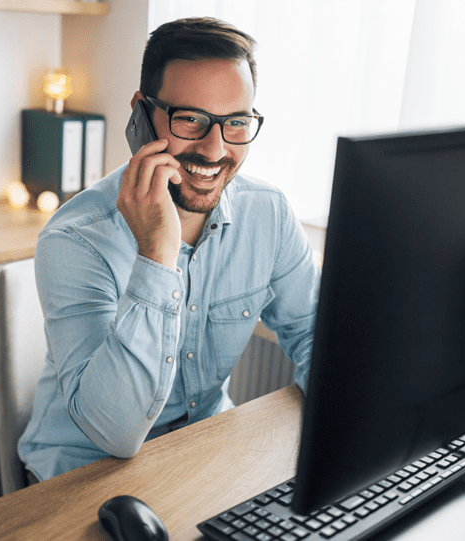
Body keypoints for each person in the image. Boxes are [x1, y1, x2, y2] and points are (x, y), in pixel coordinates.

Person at [18, 17, 321, 483]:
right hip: (82, 471)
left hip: (204, 450)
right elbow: (115, 435)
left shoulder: (270, 215)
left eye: (236, 122)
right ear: (141, 113)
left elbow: (314, 332)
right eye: (191, 119)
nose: (215, 149)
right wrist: (156, 254)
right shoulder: (76, 238)